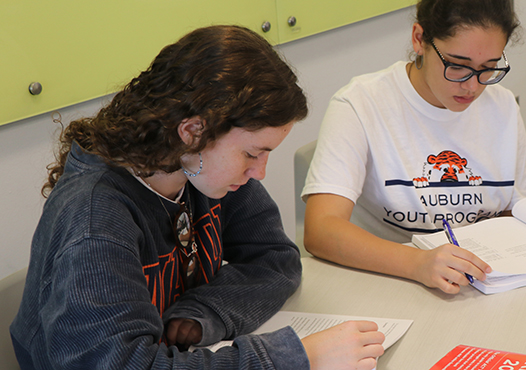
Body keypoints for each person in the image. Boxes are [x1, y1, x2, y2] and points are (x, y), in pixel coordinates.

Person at [10, 25, 384, 369]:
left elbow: (275, 258)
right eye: (252, 154)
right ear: (192, 132)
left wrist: (204, 311)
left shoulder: (199, 170)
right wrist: (293, 359)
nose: (260, 172)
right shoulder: (94, 218)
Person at [302, 0, 526, 295]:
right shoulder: (360, 104)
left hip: (477, 285)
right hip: (391, 283)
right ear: (419, 39)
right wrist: (418, 263)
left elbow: (523, 212)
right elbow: (321, 229)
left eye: (488, 69)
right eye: (458, 66)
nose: (472, 87)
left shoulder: (501, 105)